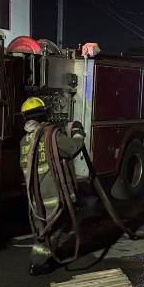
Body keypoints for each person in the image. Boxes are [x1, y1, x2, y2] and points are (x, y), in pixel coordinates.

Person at [19, 97, 86, 276]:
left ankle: (43, 254)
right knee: (52, 231)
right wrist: (78, 131)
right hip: (54, 198)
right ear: (44, 115)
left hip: (36, 199)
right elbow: (73, 147)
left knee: (43, 229)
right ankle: (39, 264)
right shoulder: (52, 135)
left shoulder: (24, 141)